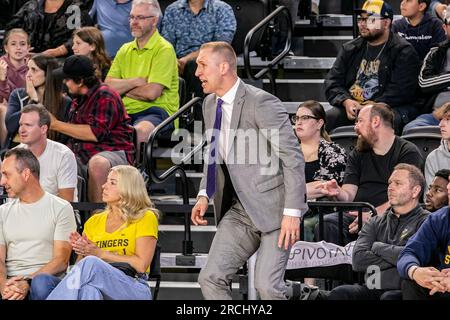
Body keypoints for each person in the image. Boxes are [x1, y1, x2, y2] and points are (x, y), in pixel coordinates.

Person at [191, 41, 307, 300]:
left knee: (267, 287)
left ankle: (302, 294)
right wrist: (204, 193)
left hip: (277, 209)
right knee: (210, 278)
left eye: (202, 65)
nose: (197, 72)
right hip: (241, 210)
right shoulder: (209, 104)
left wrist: (292, 211)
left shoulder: (261, 102)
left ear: (223, 67)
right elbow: (213, 154)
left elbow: (292, 157)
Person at [42, 165, 158, 300]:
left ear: (129, 188)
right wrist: (82, 249)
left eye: (112, 183)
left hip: (133, 285)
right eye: (106, 181)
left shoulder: (145, 217)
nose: (104, 186)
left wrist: (100, 253)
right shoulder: (94, 221)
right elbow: (80, 268)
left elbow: (141, 265)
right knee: (89, 291)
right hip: (98, 283)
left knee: (91, 263)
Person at [314, 103, 424, 245]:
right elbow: (349, 194)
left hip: (391, 215)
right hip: (357, 215)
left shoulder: (407, 152)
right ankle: (334, 268)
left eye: (360, 121)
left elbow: (406, 196)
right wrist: (337, 192)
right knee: (328, 223)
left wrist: (372, 214)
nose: (355, 127)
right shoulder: (358, 153)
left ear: (376, 121)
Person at [328, 164, 429, 300]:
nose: (390, 187)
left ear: (415, 191)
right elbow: (358, 260)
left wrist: (377, 247)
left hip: (403, 291)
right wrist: (397, 256)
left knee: (389, 297)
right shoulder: (374, 222)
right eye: (389, 183)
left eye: (398, 183)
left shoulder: (427, 221)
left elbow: (418, 257)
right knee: (340, 293)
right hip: (371, 288)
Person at [324, 0, 421, 133]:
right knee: (328, 118)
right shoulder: (350, 48)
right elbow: (332, 82)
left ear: (386, 23)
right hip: (355, 107)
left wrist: (372, 106)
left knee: (377, 121)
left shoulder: (403, 51)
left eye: (370, 20)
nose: (363, 24)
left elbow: (402, 90)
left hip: (388, 107)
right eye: (361, 19)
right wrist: (346, 101)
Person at [51, 55, 134, 203]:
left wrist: (56, 124)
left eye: (68, 79)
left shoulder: (105, 95)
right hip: (82, 153)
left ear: (80, 81)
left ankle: (96, 217)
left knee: (97, 164)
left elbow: (96, 133)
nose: (65, 83)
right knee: (56, 159)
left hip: (112, 152)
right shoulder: (78, 98)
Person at [0, 148, 76, 300]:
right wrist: (4, 286)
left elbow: (61, 260)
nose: (2, 182)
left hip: (44, 280)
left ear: (26, 174)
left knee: (40, 284)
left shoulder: (61, 207)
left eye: (7, 174)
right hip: (11, 282)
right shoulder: (2, 211)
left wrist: (27, 281)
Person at [106, 0, 179, 152]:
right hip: (123, 110)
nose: (134, 22)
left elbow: (151, 93)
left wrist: (123, 88)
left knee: (140, 131)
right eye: (132, 17)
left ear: (154, 20)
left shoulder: (164, 49)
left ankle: (138, 173)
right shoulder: (125, 49)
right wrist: (135, 82)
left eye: (140, 17)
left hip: (156, 111)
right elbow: (107, 86)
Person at [160, 0, 236, 99]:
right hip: (176, 61)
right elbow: (166, 42)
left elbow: (220, 46)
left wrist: (186, 60)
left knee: (195, 65)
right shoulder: (173, 9)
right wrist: (173, 60)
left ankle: (197, 110)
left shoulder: (222, 9)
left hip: (210, 59)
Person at [294, 100, 347, 241]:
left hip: (320, 212)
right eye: (297, 118)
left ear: (319, 123)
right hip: (291, 209)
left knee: (301, 226)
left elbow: (325, 188)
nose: (298, 122)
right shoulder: (288, 152)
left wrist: (291, 191)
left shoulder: (333, 152)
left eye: (305, 118)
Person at [397, 176, 450, 300]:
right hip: (443, 286)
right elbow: (409, 253)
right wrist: (415, 271)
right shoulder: (438, 219)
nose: (448, 187)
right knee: (411, 282)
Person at [5, 54, 72, 148]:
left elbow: (61, 138)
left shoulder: (65, 102)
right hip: (17, 149)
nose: (28, 75)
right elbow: (11, 127)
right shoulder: (18, 95)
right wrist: (33, 100)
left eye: (34, 70)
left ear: (48, 74)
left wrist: (37, 103)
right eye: (27, 69)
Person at [17, 104, 78, 202]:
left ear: (43, 129)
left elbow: (66, 203)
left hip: (55, 214)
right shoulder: (14, 155)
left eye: (28, 125)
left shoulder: (63, 155)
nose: (21, 130)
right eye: (21, 124)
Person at [6, 0, 93, 58]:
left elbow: (82, 36)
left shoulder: (74, 8)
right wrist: (20, 47)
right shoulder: (31, 6)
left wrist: (56, 52)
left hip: (61, 60)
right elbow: (12, 29)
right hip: (26, 58)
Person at [0, 28, 30, 146]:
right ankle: (4, 150)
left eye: (22, 44)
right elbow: (2, 98)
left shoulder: (32, 66)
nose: (18, 48)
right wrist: (2, 79)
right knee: (3, 109)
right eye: (13, 44)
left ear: (28, 47)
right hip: (6, 105)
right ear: (6, 48)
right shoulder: (1, 65)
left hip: (25, 104)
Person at [424, 103, 450, 184]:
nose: (440, 124)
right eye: (441, 119)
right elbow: (429, 195)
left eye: (448, 120)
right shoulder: (433, 158)